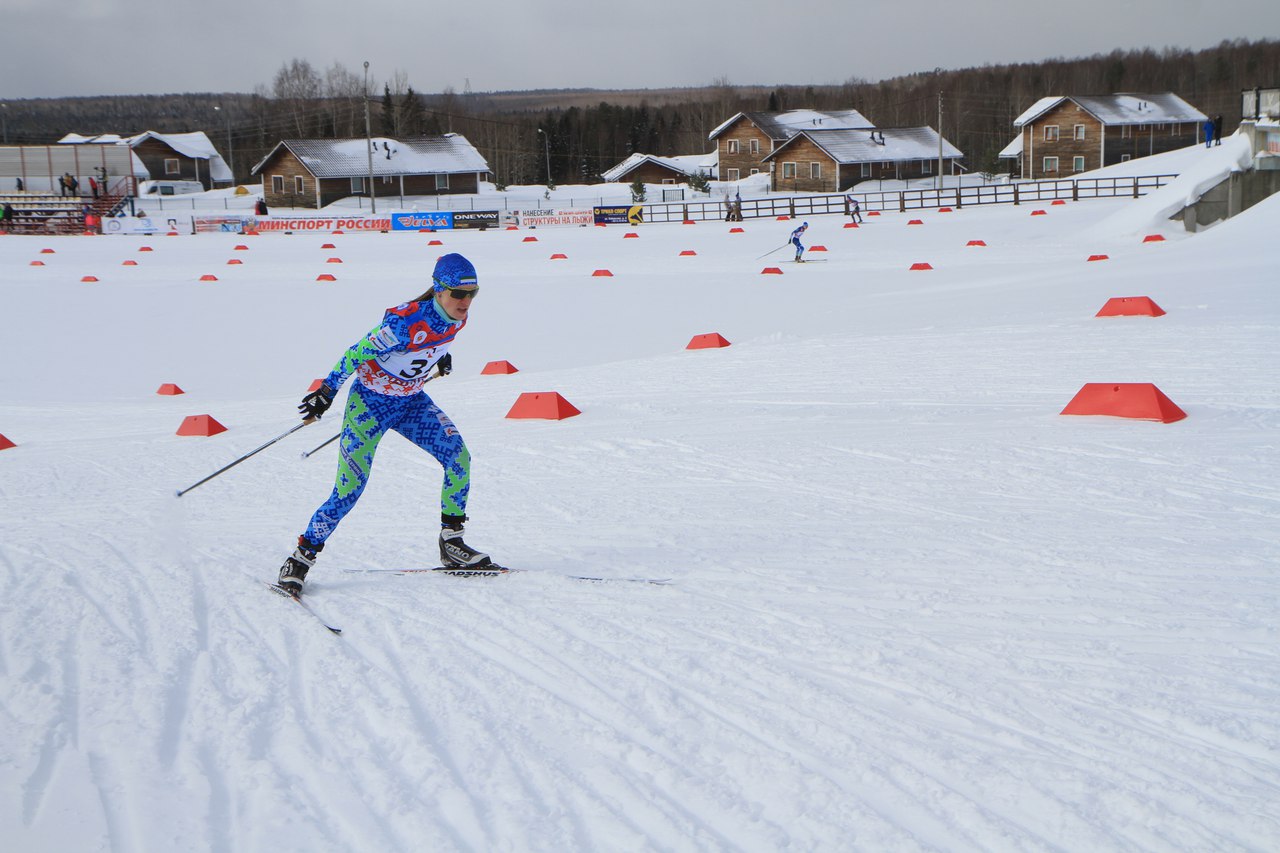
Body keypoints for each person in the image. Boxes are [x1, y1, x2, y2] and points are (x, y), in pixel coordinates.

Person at [277, 252, 493, 595]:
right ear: (438, 290)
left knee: (458, 458)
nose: (466, 301)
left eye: (473, 293)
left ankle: (452, 542)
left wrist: (439, 357)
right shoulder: (402, 323)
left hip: (411, 403)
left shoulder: (458, 318)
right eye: (458, 293)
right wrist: (326, 392)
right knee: (349, 490)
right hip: (370, 406)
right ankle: (301, 558)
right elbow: (354, 354)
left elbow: (434, 345)